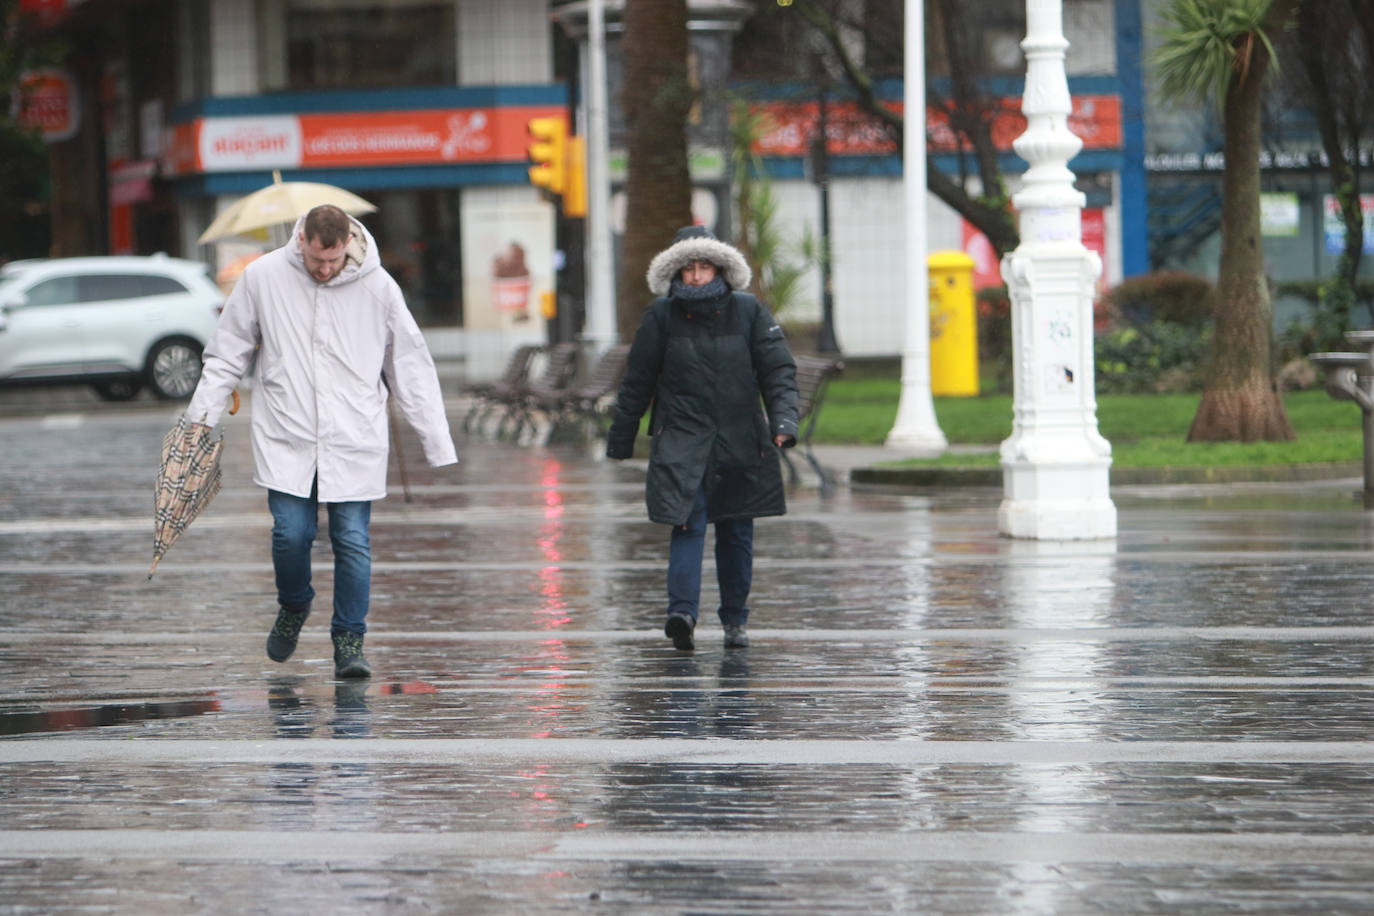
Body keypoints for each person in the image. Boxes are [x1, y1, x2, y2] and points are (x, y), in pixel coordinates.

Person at [183, 204, 458, 678]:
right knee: (290, 535)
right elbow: (227, 354)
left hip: (354, 435)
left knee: (352, 539)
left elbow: (410, 364)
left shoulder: (379, 286)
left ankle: (349, 642)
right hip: (286, 433)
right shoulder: (264, 277)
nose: (325, 270)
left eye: (332, 261)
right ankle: (294, 605)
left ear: (347, 243)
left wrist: (435, 440)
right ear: (302, 240)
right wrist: (199, 421)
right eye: (316, 261)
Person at [606, 225, 799, 651]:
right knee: (686, 523)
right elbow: (637, 380)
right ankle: (682, 614)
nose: (696, 277)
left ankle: (735, 620)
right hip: (682, 438)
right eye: (688, 268)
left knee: (735, 531)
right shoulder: (661, 317)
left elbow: (778, 370)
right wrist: (622, 437)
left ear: (720, 268)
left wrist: (784, 422)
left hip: (740, 438)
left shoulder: (749, 312)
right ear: (676, 272)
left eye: (704, 267)